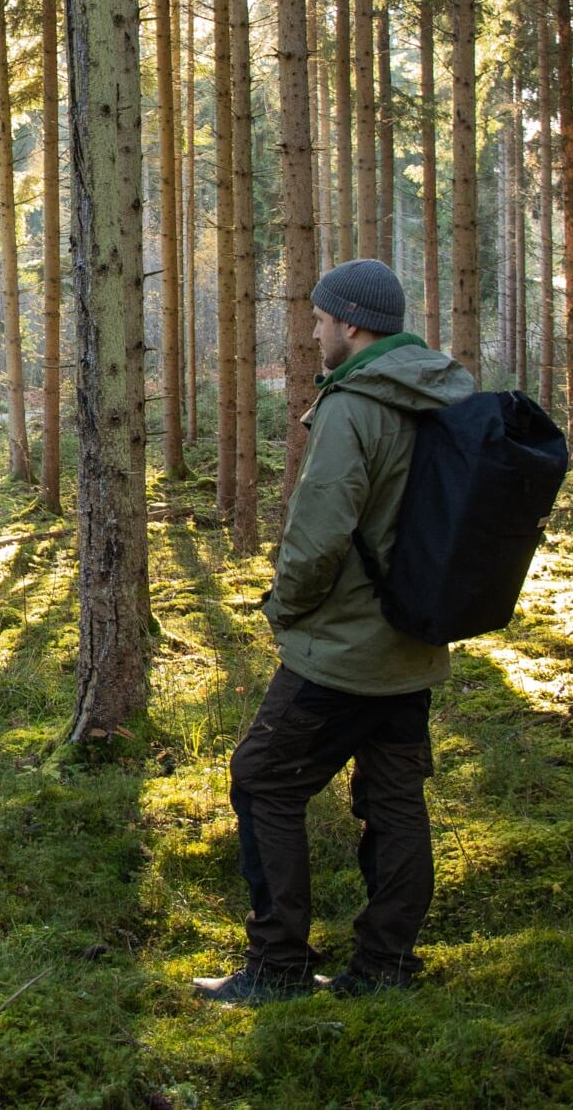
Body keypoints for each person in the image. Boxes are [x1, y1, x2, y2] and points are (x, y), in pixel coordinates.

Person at [193, 257, 474, 1006]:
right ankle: (384, 966)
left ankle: (277, 965)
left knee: (262, 776)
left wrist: (284, 607)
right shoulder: (439, 391)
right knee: (395, 797)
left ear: (352, 322)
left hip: (345, 648)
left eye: (320, 319)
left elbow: (318, 536)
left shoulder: (355, 405)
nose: (314, 332)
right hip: (414, 640)